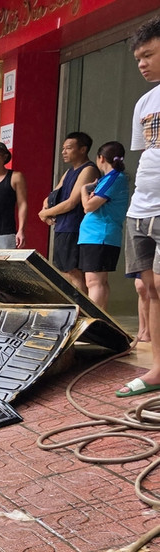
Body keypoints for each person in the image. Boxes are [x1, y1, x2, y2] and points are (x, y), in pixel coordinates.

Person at [120, 17, 160, 396]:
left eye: (148, 55)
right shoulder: (145, 102)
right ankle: (157, 367)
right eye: (137, 59)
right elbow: (145, 155)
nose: (141, 64)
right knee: (147, 287)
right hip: (141, 208)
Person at [38, 132, 99, 290]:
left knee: (74, 271)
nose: (64, 152)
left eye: (69, 148)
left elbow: (72, 202)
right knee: (64, 271)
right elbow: (52, 195)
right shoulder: (68, 172)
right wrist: (45, 209)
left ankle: (81, 310)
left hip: (74, 227)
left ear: (83, 149)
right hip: (62, 226)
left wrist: (45, 214)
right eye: (63, 148)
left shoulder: (88, 170)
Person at [76, 141, 130, 310]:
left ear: (101, 158)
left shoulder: (114, 177)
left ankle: (96, 322)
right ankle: (101, 319)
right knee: (98, 281)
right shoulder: (108, 179)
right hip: (96, 235)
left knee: (94, 281)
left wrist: (84, 190)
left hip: (99, 235)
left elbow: (88, 206)